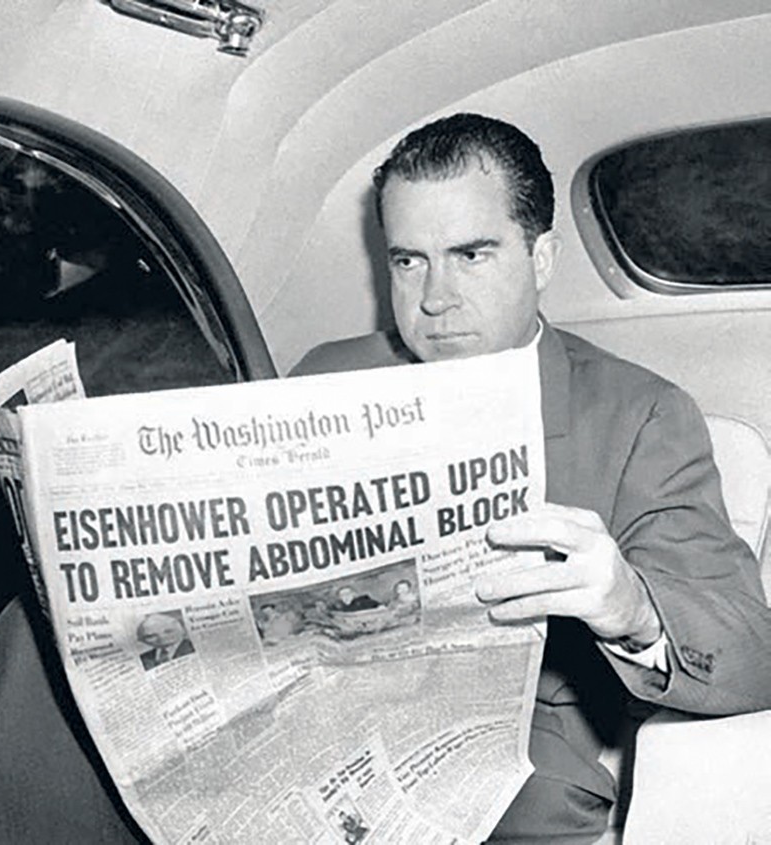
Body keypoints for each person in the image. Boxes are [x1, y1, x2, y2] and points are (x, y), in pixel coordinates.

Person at [291, 112, 771, 842]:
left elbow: (752, 656)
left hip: (513, 773)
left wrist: (635, 608)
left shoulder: (639, 415)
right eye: (409, 261)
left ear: (542, 259)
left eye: (471, 255)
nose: (435, 298)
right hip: (313, 725)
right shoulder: (325, 377)